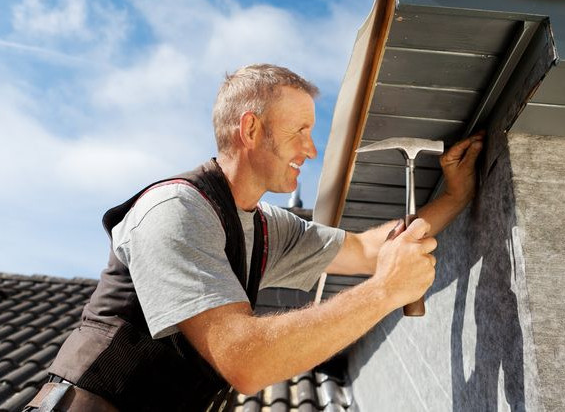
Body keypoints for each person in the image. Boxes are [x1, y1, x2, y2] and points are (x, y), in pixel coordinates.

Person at [26, 64, 483, 412]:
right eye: (300, 130)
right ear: (250, 129)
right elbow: (246, 362)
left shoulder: (265, 225)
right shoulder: (175, 211)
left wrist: (455, 197)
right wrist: (385, 291)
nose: (311, 148)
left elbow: (367, 249)